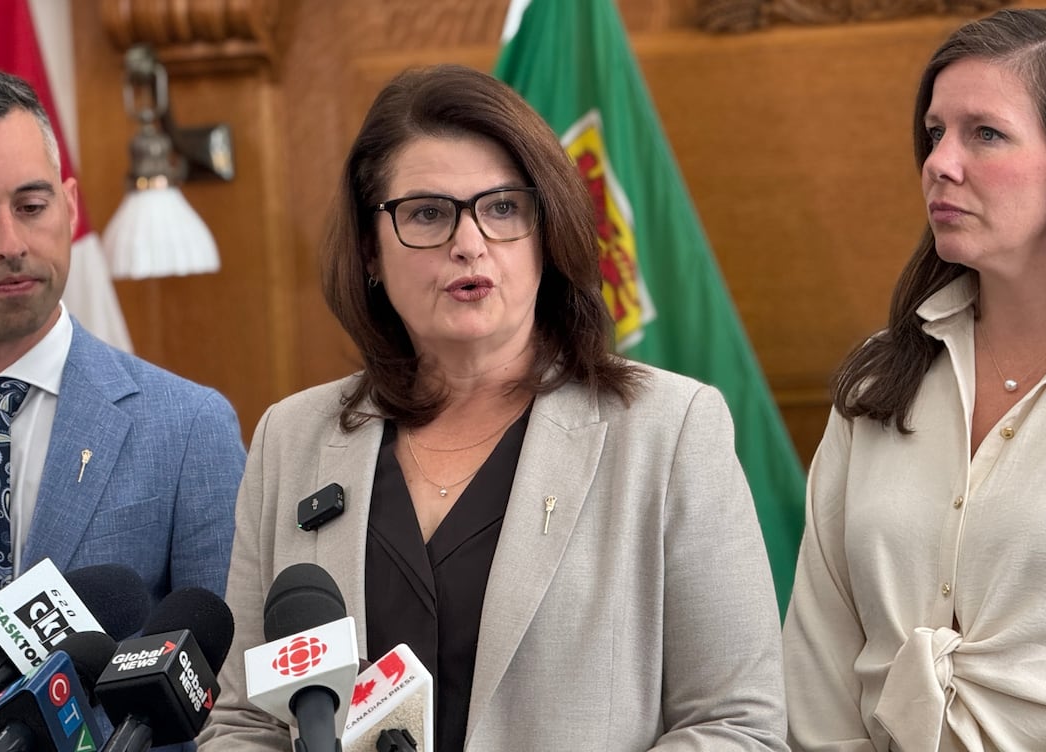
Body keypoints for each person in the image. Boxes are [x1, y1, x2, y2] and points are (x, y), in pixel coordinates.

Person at [197, 63, 786, 752]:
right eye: (426, 213)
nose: (468, 242)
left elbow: (737, 726)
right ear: (369, 251)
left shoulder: (669, 428)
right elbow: (243, 723)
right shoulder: (290, 438)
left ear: (547, 233)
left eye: (503, 207)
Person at [782, 7, 1046, 750]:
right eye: (935, 132)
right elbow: (817, 654)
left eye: (985, 133)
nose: (939, 161)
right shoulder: (880, 380)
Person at [0, 65, 247, 697]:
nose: (12, 242)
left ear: (70, 204)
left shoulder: (189, 429)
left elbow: (229, 703)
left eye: (32, 207)